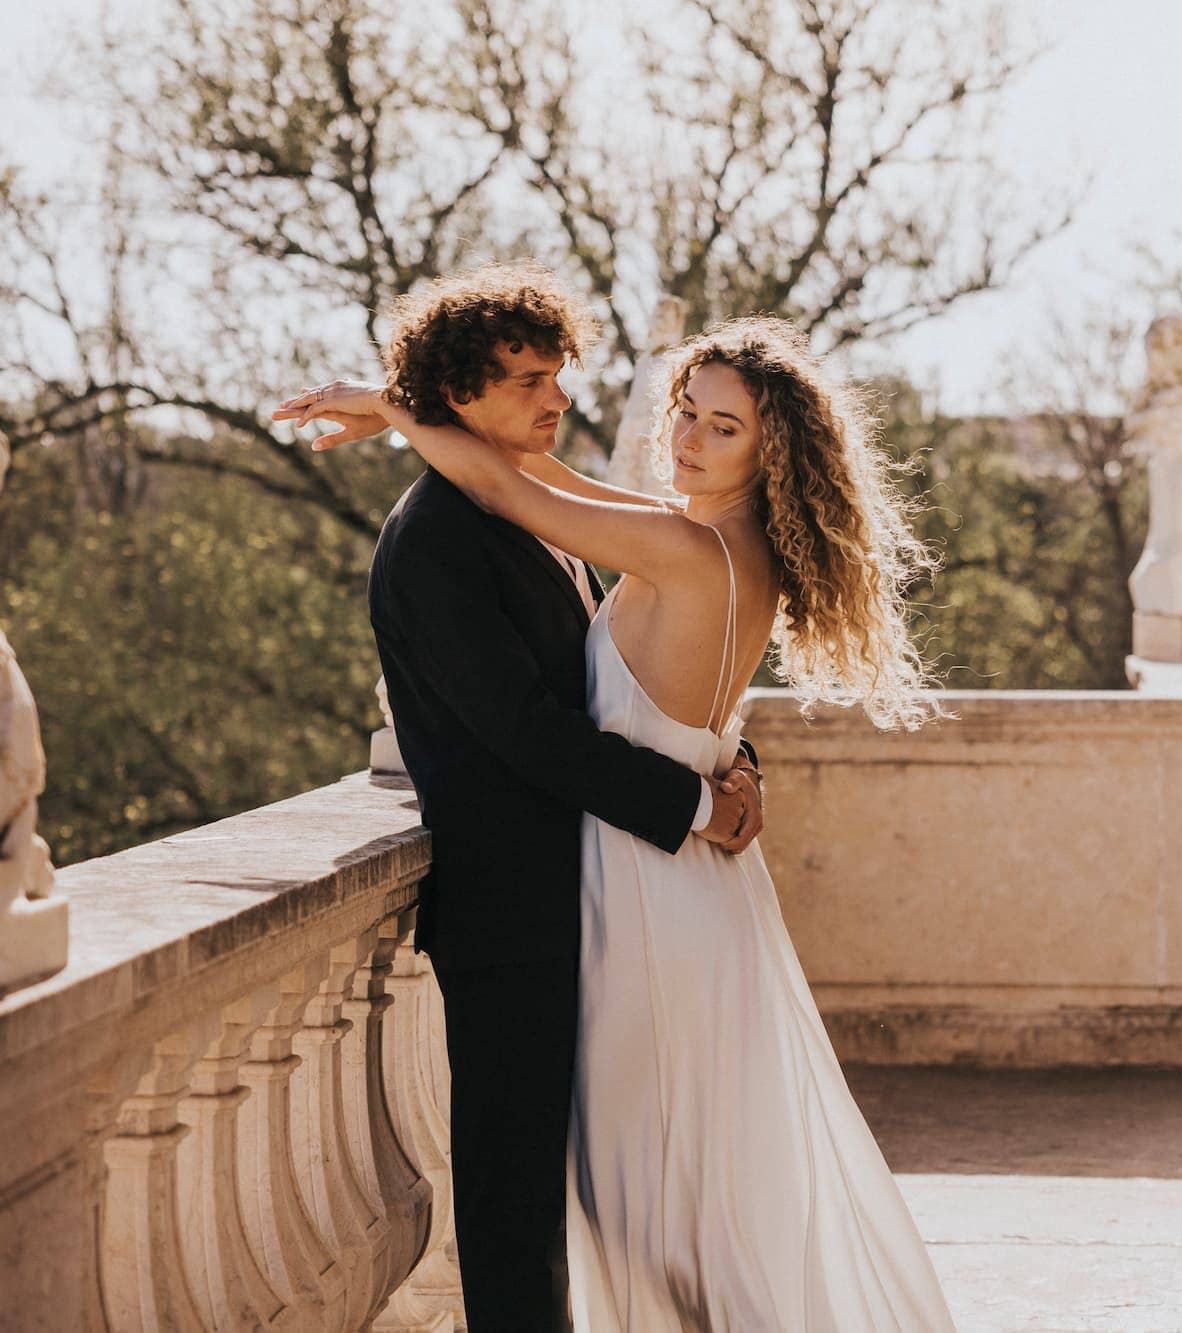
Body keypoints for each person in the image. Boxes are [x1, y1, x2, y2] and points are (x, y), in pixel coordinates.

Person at [281, 302, 955, 1330]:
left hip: (651, 899)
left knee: (660, 1200)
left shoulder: (686, 548)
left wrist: (396, 410)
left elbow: (516, 487)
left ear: (774, 449)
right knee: (659, 1192)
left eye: (720, 425)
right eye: (684, 411)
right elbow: (551, 498)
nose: (683, 436)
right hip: (663, 886)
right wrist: (720, 780)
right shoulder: (696, 538)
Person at [276, 264, 765, 1331]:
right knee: (515, 1204)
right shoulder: (437, 539)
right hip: (516, 914)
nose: (557, 401)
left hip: (596, 898)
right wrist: (691, 807)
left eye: (558, 376)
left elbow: (642, 672)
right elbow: (524, 731)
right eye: (529, 383)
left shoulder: (532, 506)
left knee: (621, 1192)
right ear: (457, 395)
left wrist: (731, 763)